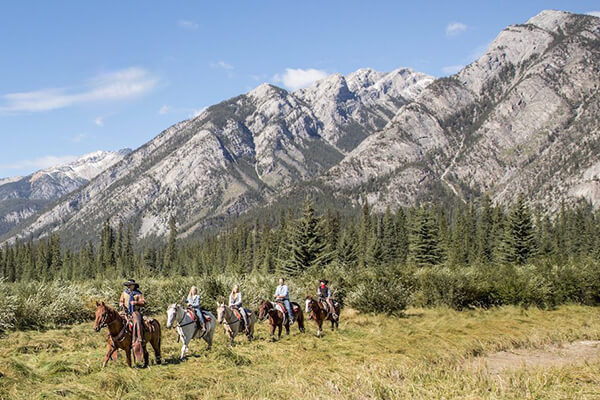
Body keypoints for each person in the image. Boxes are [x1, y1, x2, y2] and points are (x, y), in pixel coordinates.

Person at [119, 279, 146, 344]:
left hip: (135, 311)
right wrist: (121, 304)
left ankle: (139, 338)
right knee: (115, 318)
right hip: (125, 311)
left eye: (130, 285)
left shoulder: (139, 293)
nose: (129, 286)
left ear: (134, 285)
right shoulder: (124, 293)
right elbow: (121, 301)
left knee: (137, 321)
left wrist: (136, 302)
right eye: (128, 285)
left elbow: (144, 303)